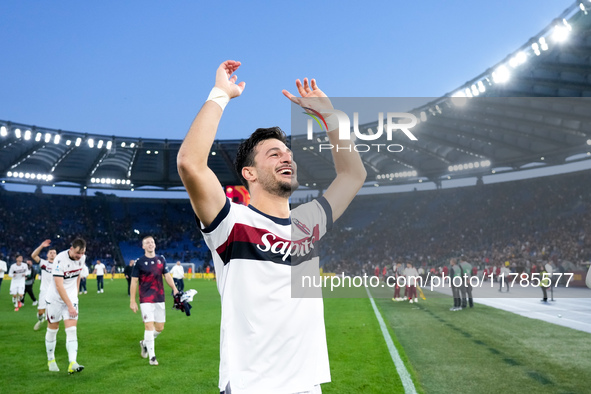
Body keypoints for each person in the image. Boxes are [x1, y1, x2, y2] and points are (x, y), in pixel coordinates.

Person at [177, 60, 365, 393]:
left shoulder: (308, 221)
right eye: (274, 154)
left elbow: (353, 175)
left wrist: (329, 116)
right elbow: (190, 163)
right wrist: (221, 93)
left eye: (288, 154)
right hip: (252, 385)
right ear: (249, 173)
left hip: (307, 385)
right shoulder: (231, 222)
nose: (287, 158)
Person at [129, 235, 178, 366]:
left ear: (155, 245)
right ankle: (152, 357)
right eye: (147, 243)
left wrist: (174, 288)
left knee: (160, 328)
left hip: (159, 298)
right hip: (145, 298)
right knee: (148, 326)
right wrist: (132, 301)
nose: (150, 244)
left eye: (152, 242)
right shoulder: (139, 262)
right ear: (143, 246)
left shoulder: (161, 259)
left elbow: (167, 276)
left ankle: (144, 343)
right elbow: (134, 281)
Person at [45, 238, 86, 374]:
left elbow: (78, 274)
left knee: (72, 330)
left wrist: (76, 294)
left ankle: (72, 362)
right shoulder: (59, 259)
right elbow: (59, 285)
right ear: (71, 249)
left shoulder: (82, 258)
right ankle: (51, 359)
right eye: (77, 253)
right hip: (55, 300)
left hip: (71, 300)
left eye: (82, 253)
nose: (79, 256)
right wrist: (70, 305)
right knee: (53, 330)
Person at [31, 239, 57, 331]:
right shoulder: (43, 263)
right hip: (44, 290)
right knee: (41, 312)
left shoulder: (59, 266)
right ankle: (40, 319)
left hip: (55, 291)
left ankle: (50, 327)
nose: (52, 254)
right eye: (50, 252)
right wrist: (41, 246)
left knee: (52, 311)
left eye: (54, 253)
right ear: (47, 255)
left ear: (56, 255)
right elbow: (33, 255)